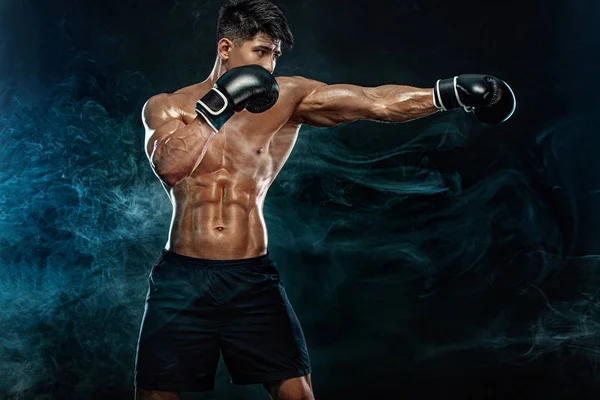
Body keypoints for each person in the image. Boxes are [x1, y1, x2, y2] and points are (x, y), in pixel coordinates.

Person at [134, 0, 516, 399]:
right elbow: (171, 165)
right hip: (181, 277)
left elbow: (375, 102)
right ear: (226, 48)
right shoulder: (168, 106)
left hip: (251, 278)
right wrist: (219, 104)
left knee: (297, 394)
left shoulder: (289, 97)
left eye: (275, 56)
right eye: (260, 52)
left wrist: (448, 93)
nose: (268, 68)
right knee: (156, 394)